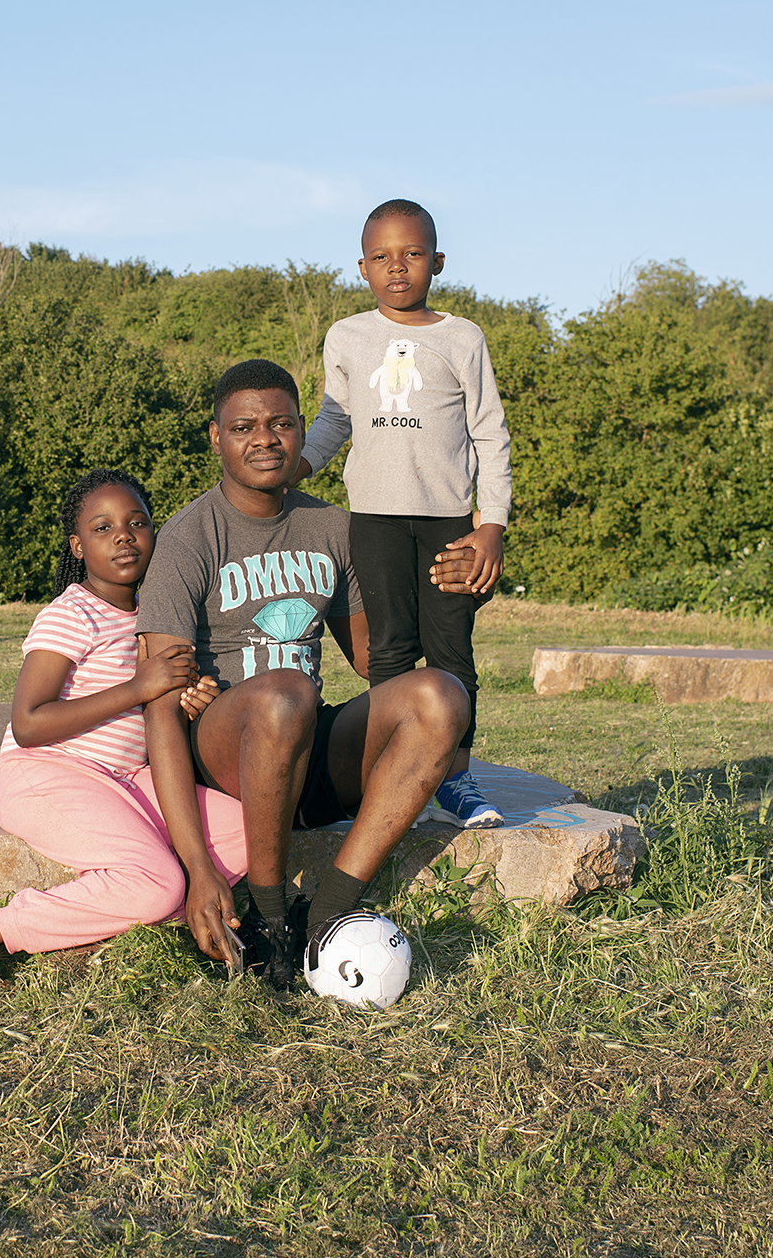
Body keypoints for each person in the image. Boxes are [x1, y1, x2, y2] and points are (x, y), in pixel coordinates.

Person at [138, 359, 471, 993]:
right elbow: (158, 705)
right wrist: (197, 865)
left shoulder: (331, 527)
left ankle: (327, 911)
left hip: (305, 748)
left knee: (440, 696)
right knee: (285, 694)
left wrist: (449, 591)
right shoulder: (188, 538)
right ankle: (268, 919)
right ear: (216, 437)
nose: (265, 439)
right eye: (244, 427)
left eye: (282, 424)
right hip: (227, 756)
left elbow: (375, 660)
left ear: (300, 432)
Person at [0, 470, 242, 974]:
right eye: (103, 528)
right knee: (158, 882)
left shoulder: (159, 615)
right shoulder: (72, 613)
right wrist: (138, 688)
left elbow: (159, 712)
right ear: (77, 547)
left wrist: (191, 701)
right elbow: (29, 722)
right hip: (49, 773)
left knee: (248, 833)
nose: (124, 536)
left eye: (137, 523)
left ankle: (157, 905)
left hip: (127, 779)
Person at [296, 198, 512, 828]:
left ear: (437, 261)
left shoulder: (462, 338)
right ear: (362, 267)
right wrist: (297, 466)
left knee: (451, 648)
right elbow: (335, 418)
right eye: (382, 256)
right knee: (387, 649)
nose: (398, 266)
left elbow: (490, 434)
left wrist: (491, 526)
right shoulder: (347, 336)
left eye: (413, 253)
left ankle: (455, 779)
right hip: (375, 519)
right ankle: (392, 776)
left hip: (450, 524)